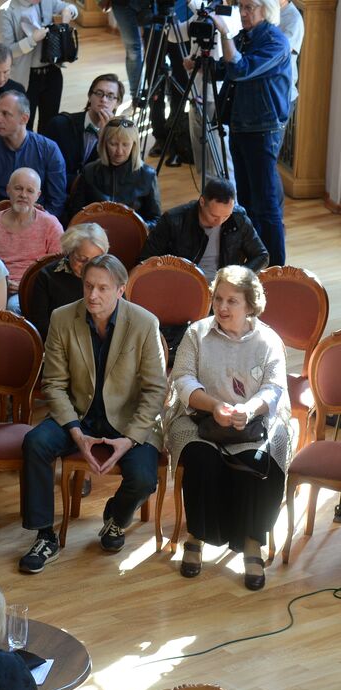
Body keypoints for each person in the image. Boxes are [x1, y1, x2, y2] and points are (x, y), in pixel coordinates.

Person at [18, 255, 166, 573]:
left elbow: (156, 391)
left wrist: (128, 441)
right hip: (78, 413)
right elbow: (54, 385)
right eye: (88, 286)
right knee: (35, 443)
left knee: (142, 479)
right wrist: (75, 433)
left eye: (102, 288)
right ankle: (45, 535)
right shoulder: (62, 318)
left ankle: (116, 517)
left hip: (127, 420)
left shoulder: (144, 323)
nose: (92, 295)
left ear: (120, 290)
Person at [166, 266, 291, 590]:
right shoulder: (197, 333)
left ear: (250, 305)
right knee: (200, 458)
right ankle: (197, 536)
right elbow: (182, 379)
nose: (222, 308)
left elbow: (275, 386)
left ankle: (252, 541)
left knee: (260, 461)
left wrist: (248, 409)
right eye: (218, 299)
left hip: (253, 421)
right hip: (200, 417)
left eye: (232, 301)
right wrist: (213, 406)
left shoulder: (267, 340)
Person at [212, 0, 292, 265]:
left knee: (267, 205)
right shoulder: (245, 37)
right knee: (245, 200)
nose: (243, 13)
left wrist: (225, 34)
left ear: (265, 9)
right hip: (240, 124)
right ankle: (255, 260)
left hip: (263, 129)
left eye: (249, 8)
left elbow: (240, 69)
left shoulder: (276, 41)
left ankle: (277, 269)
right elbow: (227, 67)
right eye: (242, 7)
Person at [140, 178, 269, 280]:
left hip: (225, 287)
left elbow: (262, 256)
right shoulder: (173, 220)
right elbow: (146, 259)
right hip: (183, 283)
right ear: (202, 202)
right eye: (214, 216)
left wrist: (238, 276)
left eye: (226, 216)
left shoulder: (238, 219)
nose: (219, 222)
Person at [0, 91, 67, 215]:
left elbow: (56, 201)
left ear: (24, 118)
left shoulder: (49, 150)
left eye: (5, 114)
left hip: (38, 223)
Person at [0, 167, 62, 308]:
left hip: (37, 288)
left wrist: (25, 286)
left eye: (30, 191)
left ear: (38, 195)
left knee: (14, 305)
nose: (23, 195)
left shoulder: (50, 224)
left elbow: (57, 266)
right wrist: (1, 283)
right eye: (18, 188)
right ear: (8, 190)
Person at [63, 116, 161, 224]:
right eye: (113, 144)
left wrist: (136, 230)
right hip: (93, 237)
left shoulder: (148, 175)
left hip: (132, 238)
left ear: (134, 145)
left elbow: (155, 220)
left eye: (125, 144)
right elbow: (76, 213)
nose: (119, 151)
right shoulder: (89, 171)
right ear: (104, 143)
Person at [0, 0, 78, 130]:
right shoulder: (6, 11)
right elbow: (8, 51)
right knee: (23, 124)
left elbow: (72, 8)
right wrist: (31, 40)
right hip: (26, 78)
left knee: (50, 124)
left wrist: (69, 11)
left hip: (52, 72)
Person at [24, 222, 108, 341]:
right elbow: (40, 323)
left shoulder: (110, 275)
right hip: (60, 345)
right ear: (69, 251)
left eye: (94, 261)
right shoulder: (48, 276)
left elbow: (122, 316)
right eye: (81, 259)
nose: (86, 267)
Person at [43, 73, 124, 194]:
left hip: (94, 198)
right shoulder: (59, 124)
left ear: (118, 103)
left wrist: (105, 138)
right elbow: (45, 167)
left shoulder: (120, 137)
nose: (103, 99)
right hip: (57, 190)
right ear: (90, 96)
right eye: (99, 93)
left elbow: (113, 178)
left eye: (110, 96)